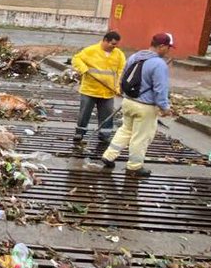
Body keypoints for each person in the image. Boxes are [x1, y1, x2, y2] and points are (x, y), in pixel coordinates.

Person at [101, 31, 174, 177]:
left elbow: (123, 76)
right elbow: (160, 89)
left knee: (125, 130)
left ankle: (109, 155)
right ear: (161, 46)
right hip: (145, 107)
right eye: (168, 47)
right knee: (140, 137)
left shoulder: (135, 56)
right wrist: (165, 108)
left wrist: (123, 93)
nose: (169, 50)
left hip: (128, 101)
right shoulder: (159, 64)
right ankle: (134, 166)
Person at [71, 30, 125, 149]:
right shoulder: (91, 50)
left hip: (108, 91)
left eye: (116, 45)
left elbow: (121, 71)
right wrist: (84, 69)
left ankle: (104, 135)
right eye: (112, 44)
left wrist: (118, 87)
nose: (114, 47)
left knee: (107, 114)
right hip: (90, 89)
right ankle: (79, 133)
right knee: (85, 112)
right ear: (105, 41)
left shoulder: (119, 54)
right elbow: (76, 59)